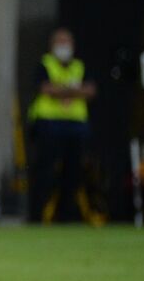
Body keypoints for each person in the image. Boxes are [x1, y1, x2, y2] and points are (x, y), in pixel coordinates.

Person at [28, 27, 95, 223]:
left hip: (75, 127)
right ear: (51, 45)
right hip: (49, 125)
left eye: (67, 42)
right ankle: (36, 217)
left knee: (73, 174)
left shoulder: (80, 67)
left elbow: (91, 91)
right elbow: (46, 89)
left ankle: (66, 217)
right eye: (60, 42)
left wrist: (60, 90)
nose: (63, 46)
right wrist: (74, 91)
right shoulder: (44, 65)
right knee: (44, 173)